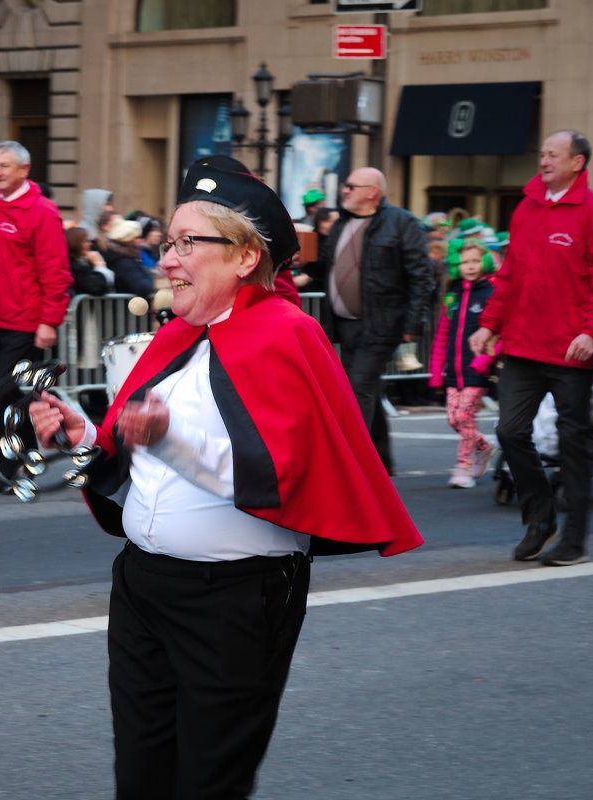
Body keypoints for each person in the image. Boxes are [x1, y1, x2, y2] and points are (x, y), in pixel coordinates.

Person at [29, 154, 423, 800]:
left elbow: (276, 475)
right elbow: (134, 454)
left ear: (244, 257)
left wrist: (169, 441)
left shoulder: (286, 333)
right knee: (141, 778)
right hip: (142, 586)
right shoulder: (173, 337)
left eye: (188, 243)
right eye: (167, 239)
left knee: (209, 783)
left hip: (234, 598)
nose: (167, 258)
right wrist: (83, 435)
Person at [468, 130, 593, 566]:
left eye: (553, 155)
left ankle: (573, 540)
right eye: (541, 154)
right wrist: (488, 326)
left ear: (577, 163)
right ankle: (541, 520)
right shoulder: (526, 208)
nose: (543, 161)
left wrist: (592, 333)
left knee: (572, 444)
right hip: (521, 344)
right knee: (509, 432)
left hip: (572, 351)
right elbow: (509, 278)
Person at [0, 140, 72, 493]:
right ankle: (18, 465)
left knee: (1, 397)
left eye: (4, 166)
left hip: (24, 322)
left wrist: (48, 321)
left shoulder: (43, 212)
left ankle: (17, 465)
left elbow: (55, 271)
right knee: (7, 399)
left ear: (23, 170)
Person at [319, 166, 435, 473]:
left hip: (381, 323)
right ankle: (380, 461)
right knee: (365, 387)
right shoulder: (342, 222)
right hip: (344, 323)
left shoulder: (401, 223)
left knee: (358, 390)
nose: (345, 190)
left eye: (351, 186)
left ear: (372, 192)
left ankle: (352, 466)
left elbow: (421, 277)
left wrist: (412, 324)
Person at [429, 239, 499, 488]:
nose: (470, 266)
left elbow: (500, 333)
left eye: (475, 261)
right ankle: (483, 445)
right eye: (465, 262)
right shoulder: (453, 295)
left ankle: (463, 466)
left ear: (486, 262)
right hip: (453, 371)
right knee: (453, 418)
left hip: (477, 370)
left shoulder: (493, 292)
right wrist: (436, 370)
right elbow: (442, 335)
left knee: (464, 415)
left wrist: (486, 359)